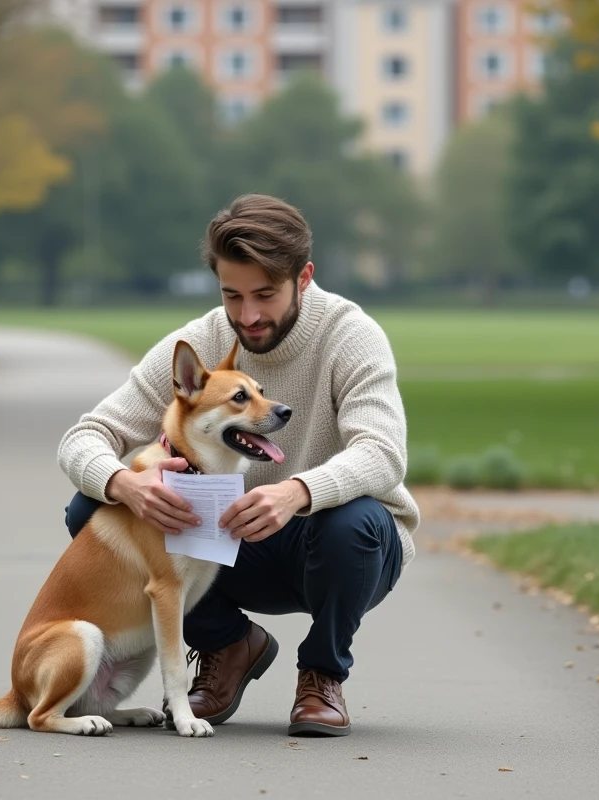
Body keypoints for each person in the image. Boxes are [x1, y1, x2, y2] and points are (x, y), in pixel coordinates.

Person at [57, 193, 419, 737]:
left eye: (264, 295)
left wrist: (298, 490)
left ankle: (322, 675)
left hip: (335, 550)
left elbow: (384, 452)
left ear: (303, 278)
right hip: (228, 544)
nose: (247, 315)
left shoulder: (351, 335)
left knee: (356, 521)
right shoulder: (202, 342)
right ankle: (227, 644)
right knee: (93, 506)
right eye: (232, 295)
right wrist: (125, 485)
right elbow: (85, 436)